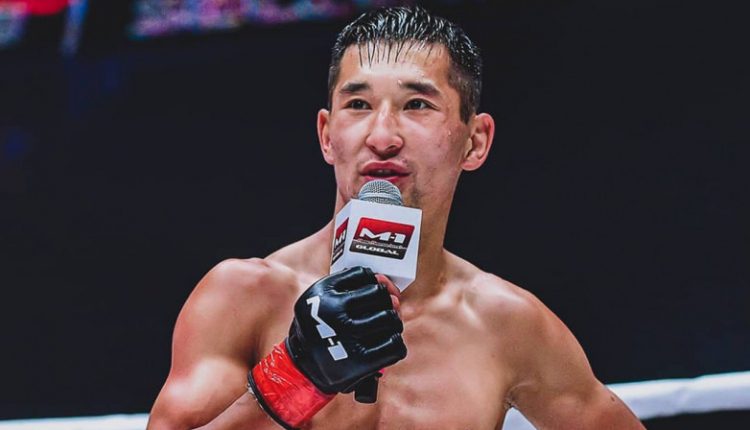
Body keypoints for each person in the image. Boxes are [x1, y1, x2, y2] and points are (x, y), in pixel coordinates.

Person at [148, 6, 645, 430]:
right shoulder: (244, 297)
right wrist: (295, 378)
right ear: (327, 136)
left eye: (417, 104)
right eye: (358, 104)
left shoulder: (505, 324)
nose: (382, 136)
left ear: (475, 141)